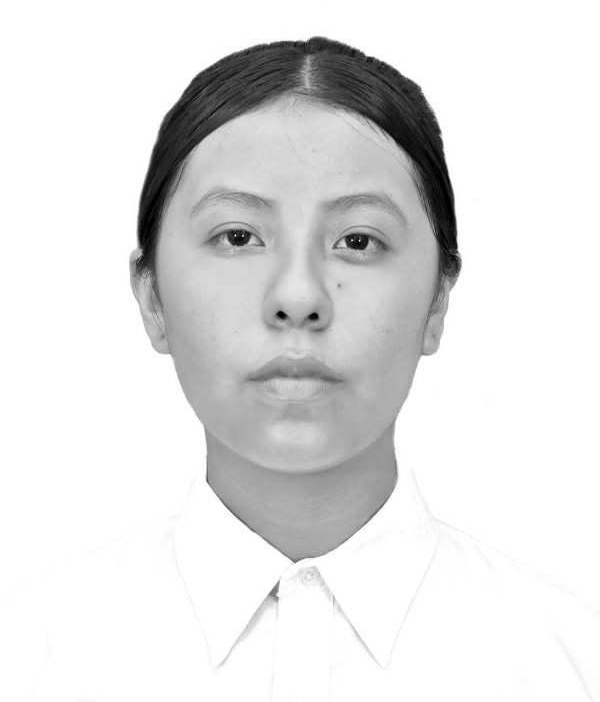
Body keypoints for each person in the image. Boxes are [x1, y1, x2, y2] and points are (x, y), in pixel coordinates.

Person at [1, 36, 598, 702]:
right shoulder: (29, 662)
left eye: (358, 241)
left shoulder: (572, 665)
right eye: (237, 237)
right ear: (151, 298)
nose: (298, 297)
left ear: (437, 301)